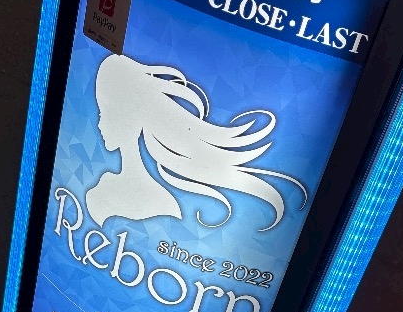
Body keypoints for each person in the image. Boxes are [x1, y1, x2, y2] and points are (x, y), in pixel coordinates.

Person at [86, 54, 307, 231]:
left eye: (106, 111)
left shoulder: (160, 205)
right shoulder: (108, 184)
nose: (99, 123)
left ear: (133, 117)